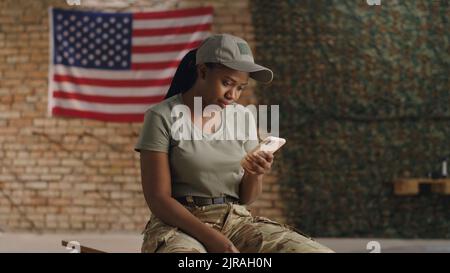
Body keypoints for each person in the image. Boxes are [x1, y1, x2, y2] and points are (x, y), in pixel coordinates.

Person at [134, 33, 334, 253]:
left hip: (235, 221)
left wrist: (255, 173)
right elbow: (158, 199)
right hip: (179, 224)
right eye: (227, 83)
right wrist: (215, 240)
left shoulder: (243, 117)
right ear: (202, 72)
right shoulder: (162, 116)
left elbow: (246, 198)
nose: (233, 95)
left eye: (240, 87)